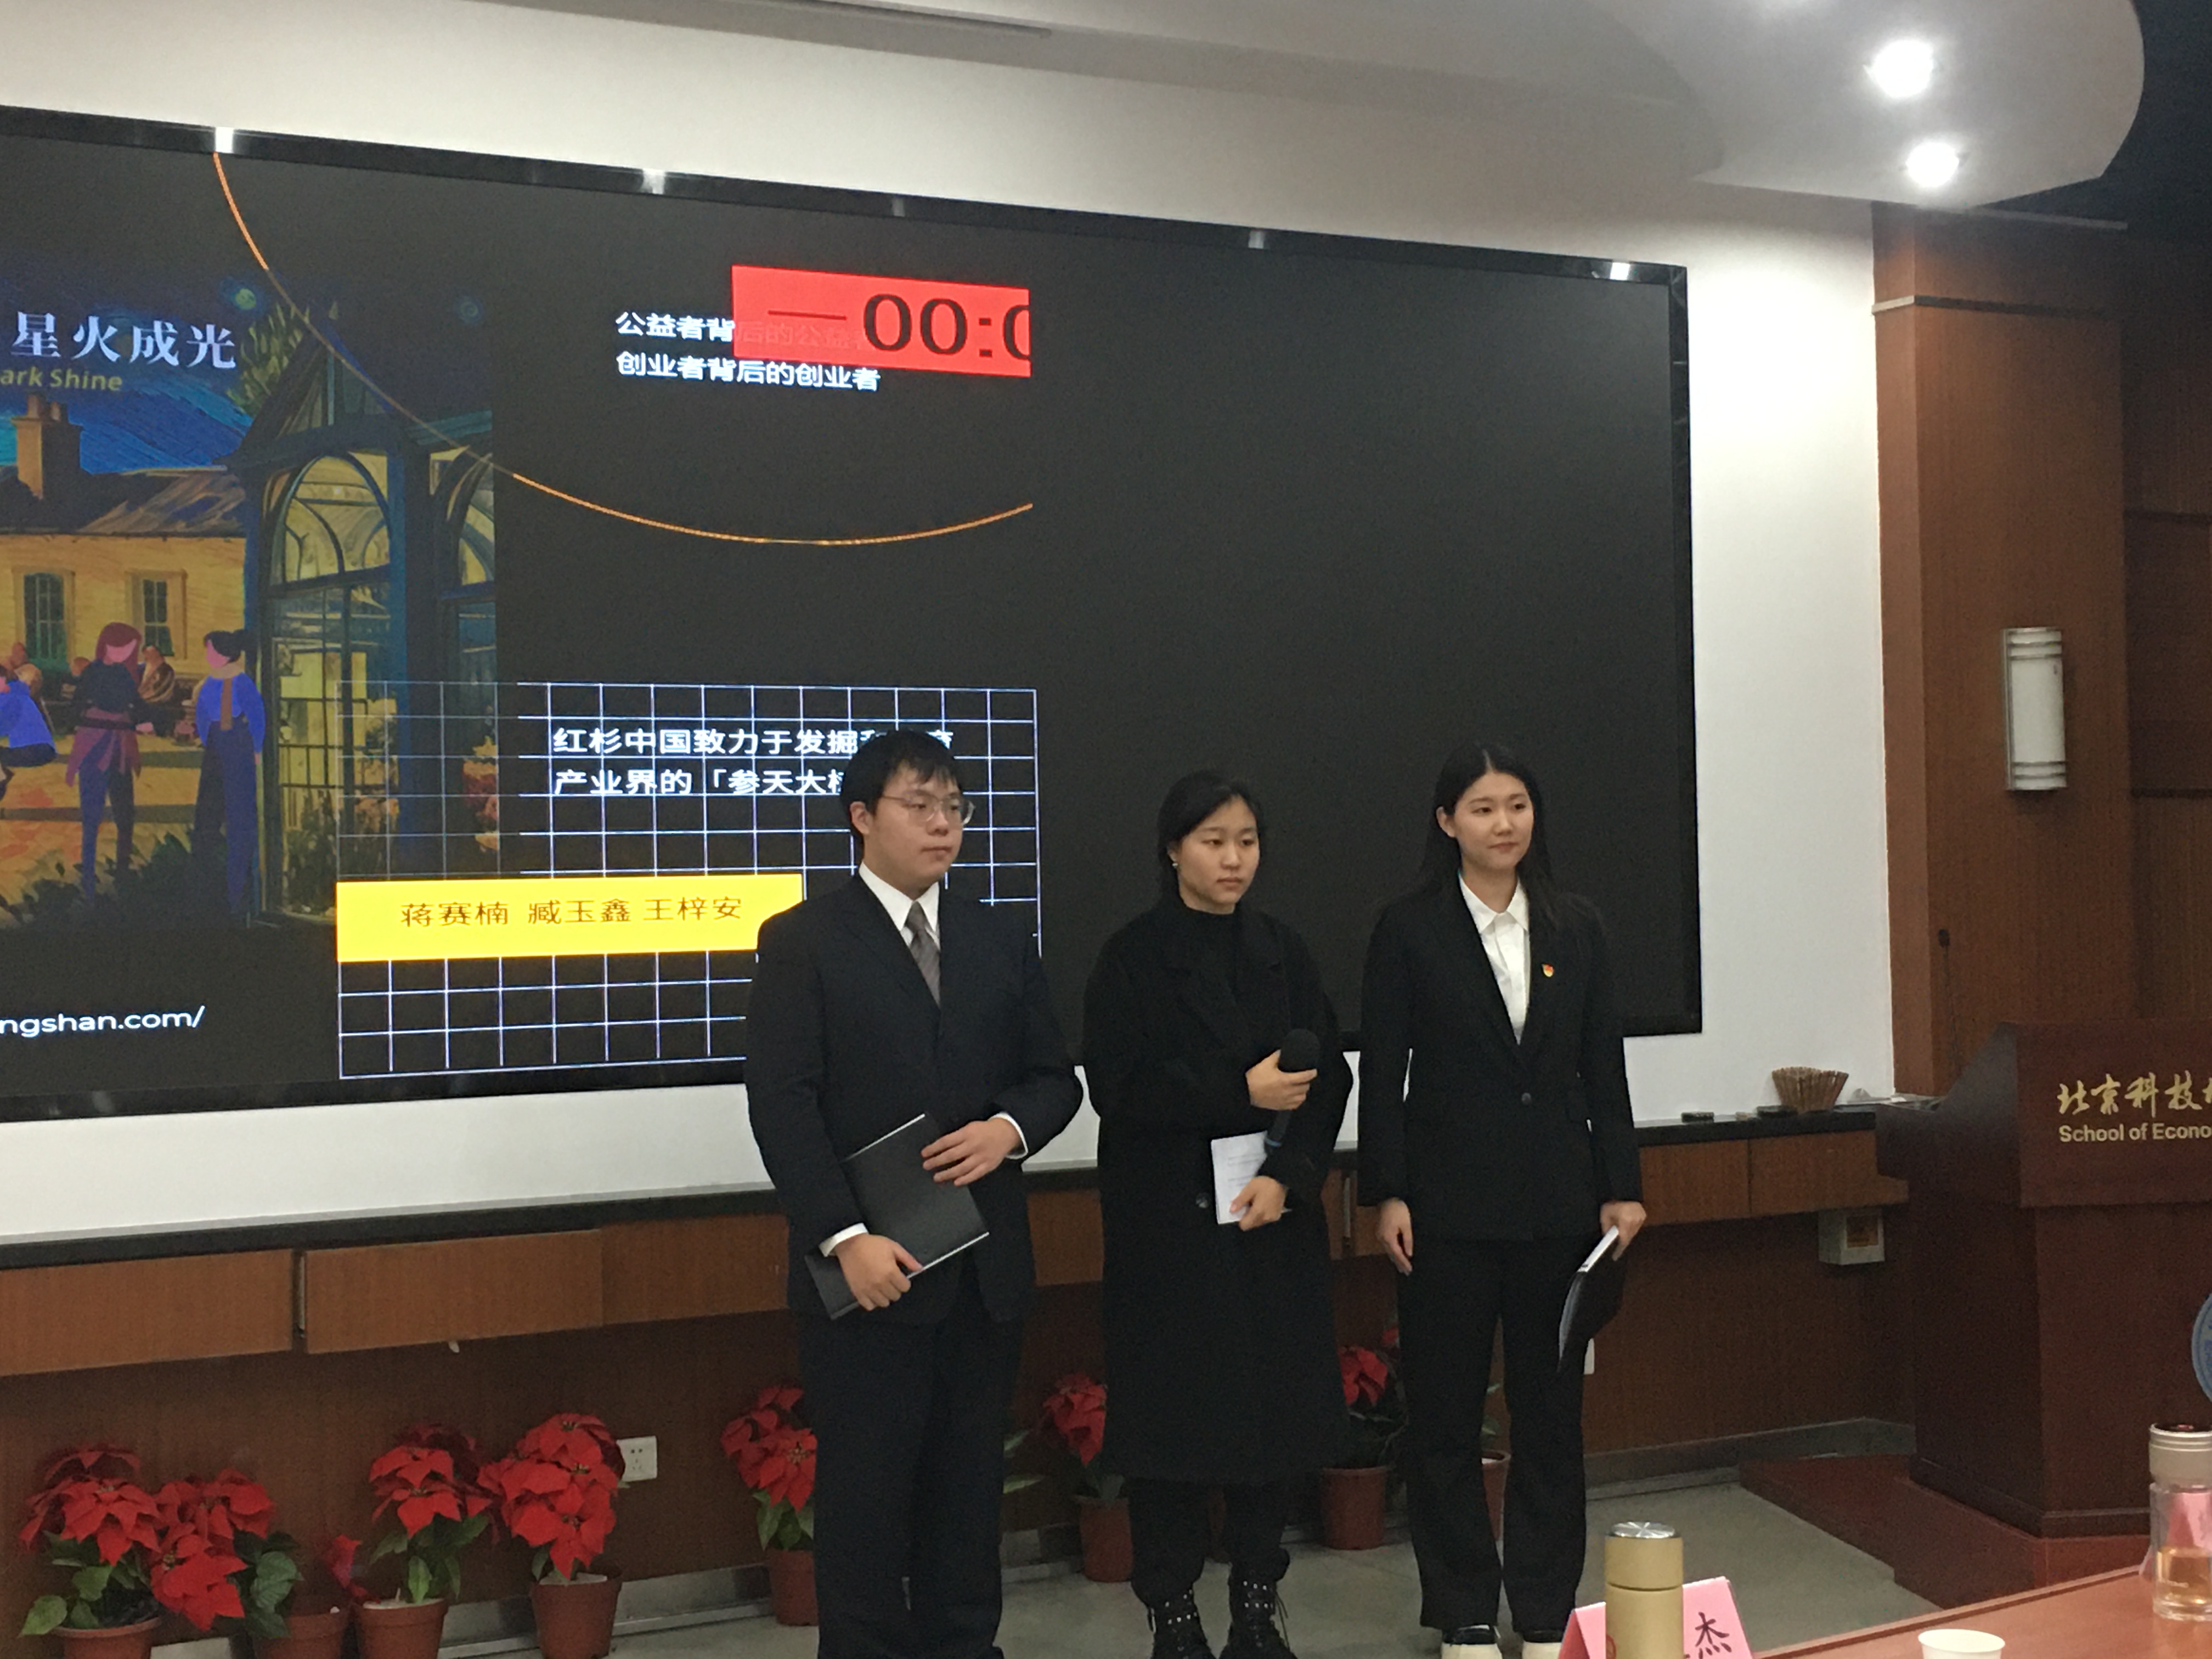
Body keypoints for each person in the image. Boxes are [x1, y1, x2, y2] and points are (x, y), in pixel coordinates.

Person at [747, 729, 1082, 1659]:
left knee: (968, 1495)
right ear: (862, 817)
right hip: (870, 1272)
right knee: (865, 1498)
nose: (943, 825)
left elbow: (1054, 1078)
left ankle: (965, 1646)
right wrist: (842, 1235)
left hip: (982, 1270)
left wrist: (1008, 1129)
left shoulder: (998, 937)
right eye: (920, 805)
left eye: (955, 807)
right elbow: (783, 1104)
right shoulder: (804, 941)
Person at [1359, 743, 1646, 1659]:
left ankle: (1544, 1607)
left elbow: (1603, 1064)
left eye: (1517, 805)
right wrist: (1386, 1190)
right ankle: (1464, 1611)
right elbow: (1383, 1072)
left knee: (1550, 1416)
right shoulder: (1408, 928)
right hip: (1444, 1210)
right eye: (1483, 808)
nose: (1504, 823)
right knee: (1444, 1417)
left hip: (1558, 1208)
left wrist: (1622, 1186)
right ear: (1447, 822)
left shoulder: (1575, 924)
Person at [1084, 771, 1351, 1659]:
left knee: (1270, 1425)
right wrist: (1237, 1090)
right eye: (1212, 841)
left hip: (1268, 1223)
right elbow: (1118, 1087)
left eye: (1246, 840)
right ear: (1173, 850)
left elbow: (1328, 1077)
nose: (1233, 859)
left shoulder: (1283, 949)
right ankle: (1171, 1612)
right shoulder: (1131, 957)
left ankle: (1256, 1602)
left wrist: (1291, 1174)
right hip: (1169, 1235)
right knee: (1169, 1435)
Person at [64, 623, 154, 899]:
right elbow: (78, 708)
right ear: (106, 644)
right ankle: (89, 874)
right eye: (120, 647)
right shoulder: (93, 672)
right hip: (95, 747)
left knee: (125, 812)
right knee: (92, 813)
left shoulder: (125, 674)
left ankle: (122, 871)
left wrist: (145, 720)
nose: (124, 653)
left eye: (129, 649)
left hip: (120, 749)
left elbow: (135, 705)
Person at [191, 630, 266, 917]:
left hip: (236, 741)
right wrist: (207, 739)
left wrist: (256, 747)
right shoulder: (211, 681)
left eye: (211, 650)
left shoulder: (241, 681)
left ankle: (238, 888)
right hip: (217, 744)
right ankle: (209, 882)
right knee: (209, 807)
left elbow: (256, 715)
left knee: (239, 812)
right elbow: (202, 714)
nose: (208, 655)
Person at [0, 661, 59, 805]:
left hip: (33, 750)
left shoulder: (15, 696)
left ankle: (3, 779)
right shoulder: (19, 696)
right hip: (39, 749)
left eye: (19, 673)